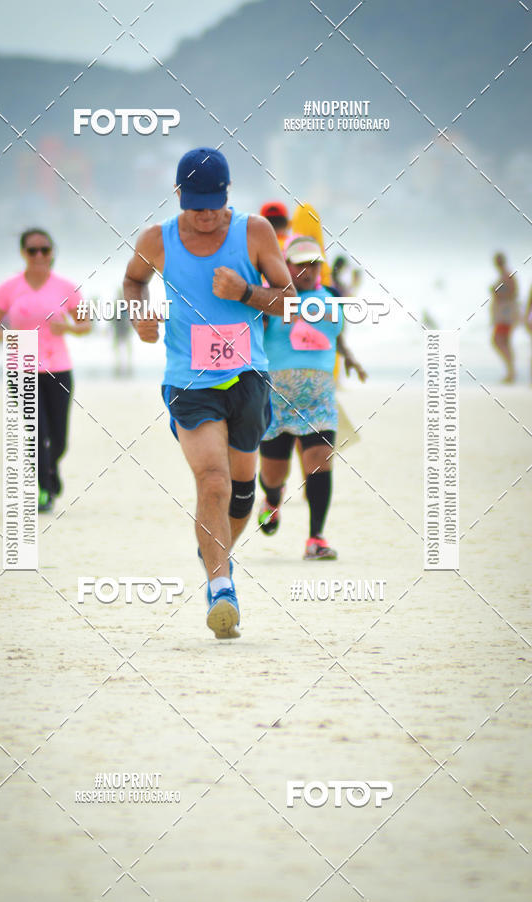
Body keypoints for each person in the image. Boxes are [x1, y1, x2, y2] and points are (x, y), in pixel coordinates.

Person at [123, 147, 294, 639]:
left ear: (227, 195)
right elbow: (134, 282)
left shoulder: (254, 232)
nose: (204, 214)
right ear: (179, 195)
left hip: (247, 378)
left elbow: (289, 305)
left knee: (242, 491)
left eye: (212, 203)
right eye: (194, 203)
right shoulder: (157, 239)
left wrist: (244, 293)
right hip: (188, 380)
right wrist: (140, 316)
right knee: (213, 482)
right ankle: (221, 588)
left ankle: (216, 553)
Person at [257, 235, 366, 560]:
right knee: (272, 476)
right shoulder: (272, 299)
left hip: (319, 402)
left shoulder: (332, 296)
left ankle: (315, 538)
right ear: (285, 266)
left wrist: (349, 357)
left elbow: (335, 333)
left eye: (313, 262)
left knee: (319, 465)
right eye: (300, 262)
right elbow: (251, 340)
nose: (308, 269)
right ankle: (273, 500)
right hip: (275, 403)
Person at [0, 228, 90, 512]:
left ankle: (50, 475)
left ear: (52, 252)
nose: (39, 255)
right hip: (22, 369)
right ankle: (44, 490)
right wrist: (9, 336)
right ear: (23, 253)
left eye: (44, 249)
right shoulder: (9, 288)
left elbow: (86, 324)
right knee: (36, 430)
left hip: (60, 368)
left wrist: (68, 327)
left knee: (59, 439)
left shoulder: (65, 287)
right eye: (33, 250)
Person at [490, 252, 519, 383]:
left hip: (505, 314)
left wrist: (496, 293)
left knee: (498, 340)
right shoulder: (505, 275)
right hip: (504, 313)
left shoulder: (507, 276)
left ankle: (511, 371)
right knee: (505, 342)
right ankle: (510, 371)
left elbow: (512, 293)